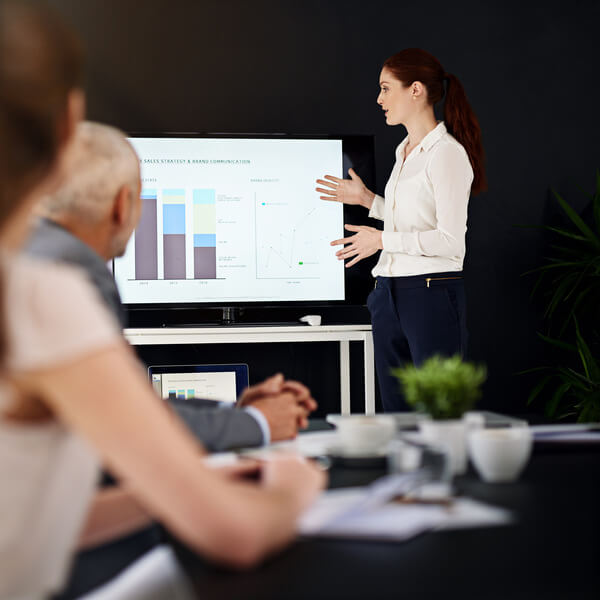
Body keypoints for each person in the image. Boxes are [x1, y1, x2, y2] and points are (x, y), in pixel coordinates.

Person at [0, 3, 325, 599]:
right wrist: (294, 491)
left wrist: (188, 483)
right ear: (69, 123)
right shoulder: (41, 296)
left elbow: (35, 516)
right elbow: (237, 537)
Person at [25, 120, 317, 452]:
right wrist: (257, 423)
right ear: (124, 205)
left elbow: (119, 407)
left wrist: (236, 411)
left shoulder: (36, 251)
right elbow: (126, 421)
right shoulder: (73, 270)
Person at [316, 48, 486, 412]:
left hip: (430, 295)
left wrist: (380, 239)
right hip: (388, 295)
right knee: (397, 413)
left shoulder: (447, 155)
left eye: (386, 88)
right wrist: (368, 201)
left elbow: (451, 242)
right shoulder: (404, 150)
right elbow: (413, 217)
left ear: (416, 90)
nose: (379, 99)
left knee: (438, 412)